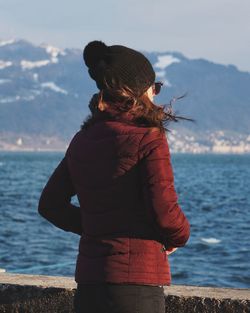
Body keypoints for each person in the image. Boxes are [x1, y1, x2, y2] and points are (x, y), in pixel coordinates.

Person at [38, 40, 190, 313]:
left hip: (90, 287)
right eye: (154, 88)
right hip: (136, 288)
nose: (155, 95)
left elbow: (50, 204)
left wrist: (98, 224)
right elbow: (164, 212)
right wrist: (179, 237)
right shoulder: (149, 138)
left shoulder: (82, 139)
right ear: (140, 91)